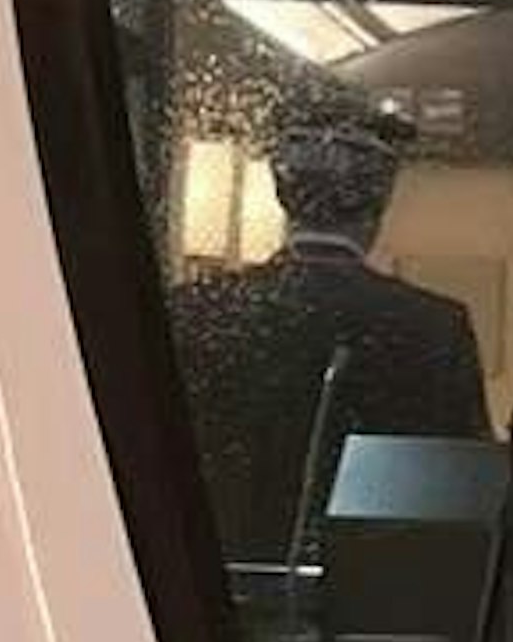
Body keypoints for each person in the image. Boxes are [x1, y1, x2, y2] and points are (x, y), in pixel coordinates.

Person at [167, 96, 488, 566]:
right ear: (380, 200)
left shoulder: (198, 310)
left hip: (206, 585)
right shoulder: (433, 328)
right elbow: (465, 490)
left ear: (283, 192)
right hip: (378, 597)